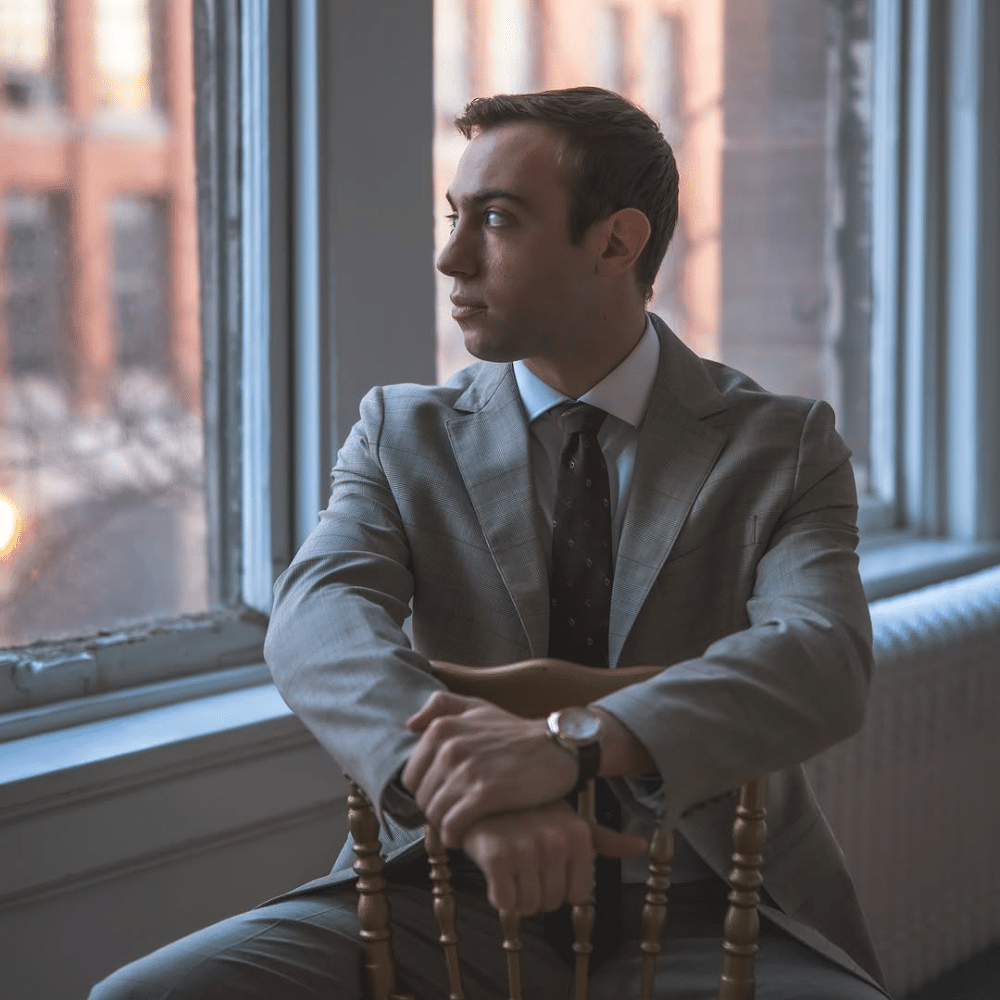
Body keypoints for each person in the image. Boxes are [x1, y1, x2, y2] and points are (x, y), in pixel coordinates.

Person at [91, 86, 889, 1000]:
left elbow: (820, 658)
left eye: (497, 220)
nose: (450, 257)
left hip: (708, 907)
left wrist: (572, 749)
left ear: (616, 242)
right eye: (453, 216)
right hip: (445, 893)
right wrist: (469, 797)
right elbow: (316, 618)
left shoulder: (780, 443)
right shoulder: (402, 434)